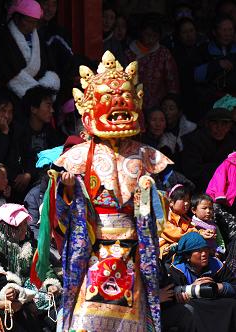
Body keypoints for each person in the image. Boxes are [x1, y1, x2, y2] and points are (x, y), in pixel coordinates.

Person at [55, 51, 172, 331]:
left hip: (132, 247)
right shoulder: (79, 155)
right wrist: (68, 189)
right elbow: (61, 207)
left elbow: (162, 207)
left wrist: (152, 194)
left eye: (124, 98)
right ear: (88, 108)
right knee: (86, 318)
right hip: (95, 246)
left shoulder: (146, 155)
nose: (118, 104)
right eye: (107, 99)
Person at [0, 204, 61, 331]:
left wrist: (50, 284)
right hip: (13, 297)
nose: (26, 228)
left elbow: (43, 267)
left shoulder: (29, 245)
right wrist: (20, 296)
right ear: (12, 228)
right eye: (23, 224)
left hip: (32, 293)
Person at [162, 232, 236, 331]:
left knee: (231, 305)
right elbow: (170, 296)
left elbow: (233, 285)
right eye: (199, 251)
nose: (204, 254)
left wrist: (218, 287)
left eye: (206, 249)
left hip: (214, 301)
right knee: (192, 309)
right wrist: (189, 290)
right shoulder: (177, 271)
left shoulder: (216, 265)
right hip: (194, 305)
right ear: (187, 256)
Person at [0, 0, 60, 99]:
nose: (32, 26)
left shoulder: (39, 39)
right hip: (11, 95)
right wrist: (36, 92)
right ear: (17, 18)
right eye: (28, 21)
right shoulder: (3, 37)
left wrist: (40, 88)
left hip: (37, 88)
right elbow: (6, 71)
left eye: (35, 23)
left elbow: (48, 65)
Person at [126, 16, 179, 110]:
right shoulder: (130, 53)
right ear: (141, 33)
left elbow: (171, 79)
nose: (151, 39)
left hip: (158, 103)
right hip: (133, 101)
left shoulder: (163, 53)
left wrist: (171, 99)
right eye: (147, 35)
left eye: (154, 36)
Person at [182, 107, 235, 191]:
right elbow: (192, 171)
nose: (219, 128)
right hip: (201, 189)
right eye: (215, 123)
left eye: (224, 124)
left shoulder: (232, 141)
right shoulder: (195, 141)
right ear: (207, 124)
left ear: (230, 126)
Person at [159, 184, 195, 259]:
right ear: (171, 202)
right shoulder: (165, 216)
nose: (187, 203)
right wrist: (197, 233)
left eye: (188, 200)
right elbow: (176, 235)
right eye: (183, 200)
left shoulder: (186, 218)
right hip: (164, 250)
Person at [160, 94, 197, 161]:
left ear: (179, 112)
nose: (167, 112)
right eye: (164, 109)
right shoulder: (157, 131)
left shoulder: (191, 130)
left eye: (171, 109)